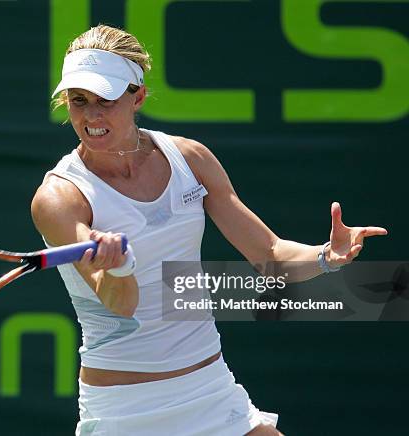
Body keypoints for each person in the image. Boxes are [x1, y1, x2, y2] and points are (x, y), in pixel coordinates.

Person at [31, 25, 387, 436]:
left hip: (211, 390)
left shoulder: (190, 159)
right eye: (79, 101)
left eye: (106, 99)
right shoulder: (60, 198)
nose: (91, 116)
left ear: (138, 96)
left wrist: (327, 256)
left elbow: (271, 256)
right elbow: (119, 304)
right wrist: (120, 266)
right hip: (125, 412)